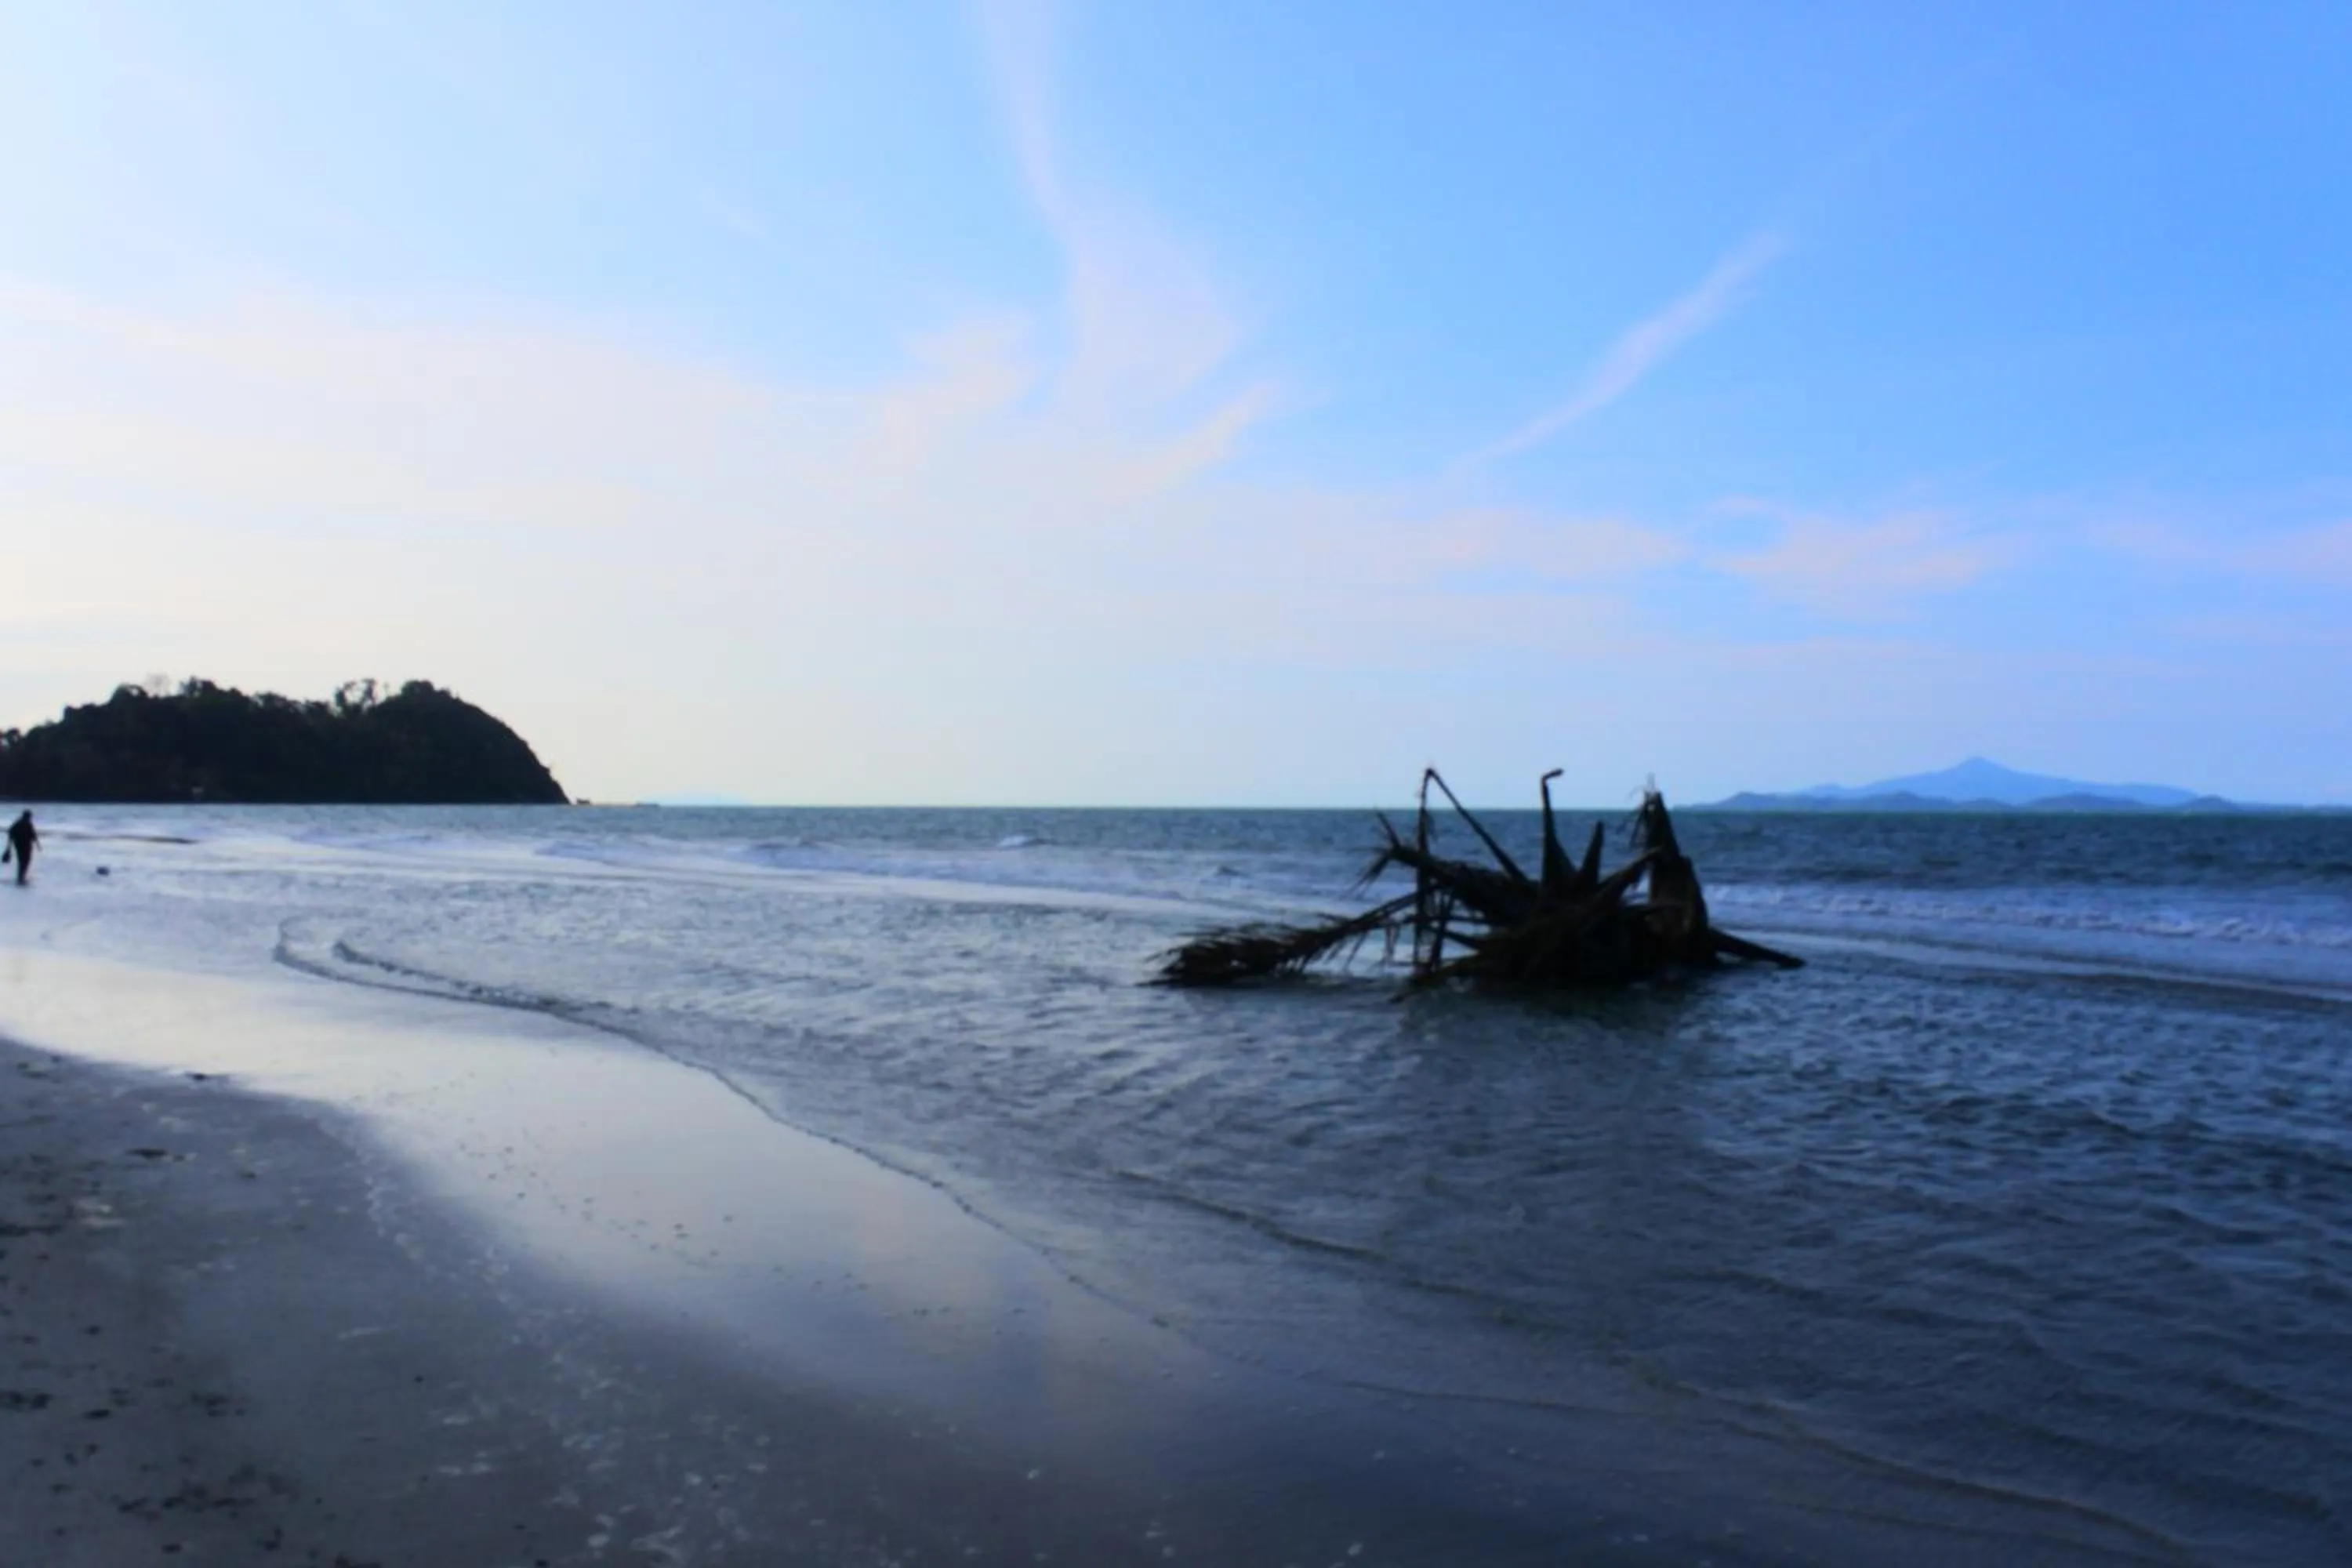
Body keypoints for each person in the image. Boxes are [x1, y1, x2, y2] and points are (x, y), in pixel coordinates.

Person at [5, 811, 35, 885]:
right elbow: (33, 835)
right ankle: (21, 878)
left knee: (23, 861)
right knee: (24, 861)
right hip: (23, 846)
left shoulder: (23, 824)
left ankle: (21, 877)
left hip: (21, 846)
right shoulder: (23, 824)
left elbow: (33, 835)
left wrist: (10, 845)